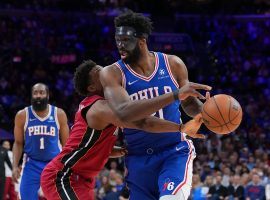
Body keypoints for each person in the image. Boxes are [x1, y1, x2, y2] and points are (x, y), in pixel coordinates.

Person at [41, 60, 207, 200]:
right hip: (63, 176)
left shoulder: (109, 104)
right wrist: (180, 127)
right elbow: (142, 122)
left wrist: (110, 150)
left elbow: (85, 143)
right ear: (92, 88)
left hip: (82, 179)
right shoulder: (99, 107)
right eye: (100, 72)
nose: (106, 71)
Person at [99, 10, 211, 200]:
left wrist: (206, 113)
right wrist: (174, 94)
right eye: (117, 39)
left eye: (125, 40)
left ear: (141, 41)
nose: (120, 45)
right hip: (138, 157)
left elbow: (189, 102)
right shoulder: (112, 73)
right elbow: (124, 112)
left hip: (174, 150)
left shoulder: (172, 63)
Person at [12, 83, 69, 200]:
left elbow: (67, 144)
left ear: (47, 96)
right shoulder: (22, 115)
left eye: (41, 92)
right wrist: (14, 166)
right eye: (35, 93)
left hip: (54, 164)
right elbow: (18, 143)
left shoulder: (59, 114)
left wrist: (68, 167)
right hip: (31, 164)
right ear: (31, 96)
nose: (38, 95)